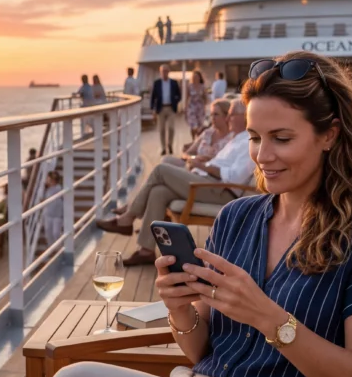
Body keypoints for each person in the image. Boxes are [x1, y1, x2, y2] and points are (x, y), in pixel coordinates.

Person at [0, 50, 352, 377]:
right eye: (254, 137)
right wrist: (179, 309)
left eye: (282, 138)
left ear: (328, 135)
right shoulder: (237, 218)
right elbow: (199, 350)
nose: (262, 156)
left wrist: (268, 317)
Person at [97, 99, 253, 266]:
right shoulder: (236, 139)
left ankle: (128, 218)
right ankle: (146, 251)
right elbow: (218, 163)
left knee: (161, 170)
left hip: (219, 191)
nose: (227, 118)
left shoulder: (248, 142)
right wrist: (202, 163)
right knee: (159, 192)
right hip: (206, 182)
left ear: (244, 117)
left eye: (231, 115)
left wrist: (204, 166)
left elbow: (235, 177)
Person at [161, 98, 233, 168]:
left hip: (207, 172)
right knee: (165, 160)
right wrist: (193, 158)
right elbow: (187, 153)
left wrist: (207, 159)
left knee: (164, 171)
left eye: (216, 114)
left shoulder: (232, 138)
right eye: (211, 114)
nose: (212, 118)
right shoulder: (208, 133)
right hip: (193, 165)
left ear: (226, 116)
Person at [150, 64, 181, 155]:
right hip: (161, 108)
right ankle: (163, 148)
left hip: (171, 108)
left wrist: (175, 101)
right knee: (162, 129)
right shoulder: (157, 83)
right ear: (160, 72)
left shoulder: (174, 83)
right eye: (163, 71)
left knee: (171, 128)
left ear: (168, 72)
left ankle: (170, 145)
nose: (164, 73)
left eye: (166, 71)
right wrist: (153, 109)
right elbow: (153, 97)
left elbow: (179, 95)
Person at [42, 171, 64, 245]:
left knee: (56, 233)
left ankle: (60, 247)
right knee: (48, 233)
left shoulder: (59, 188)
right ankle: (51, 248)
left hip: (57, 215)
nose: (48, 181)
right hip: (48, 214)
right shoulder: (46, 189)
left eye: (50, 179)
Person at [185, 70, 207, 140]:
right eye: (194, 77)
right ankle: (193, 139)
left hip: (200, 108)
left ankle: (198, 140)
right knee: (193, 125)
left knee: (200, 126)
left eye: (197, 77)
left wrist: (204, 106)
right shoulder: (189, 86)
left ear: (200, 78)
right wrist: (185, 109)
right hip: (191, 107)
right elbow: (186, 98)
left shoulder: (202, 86)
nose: (195, 78)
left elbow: (205, 97)